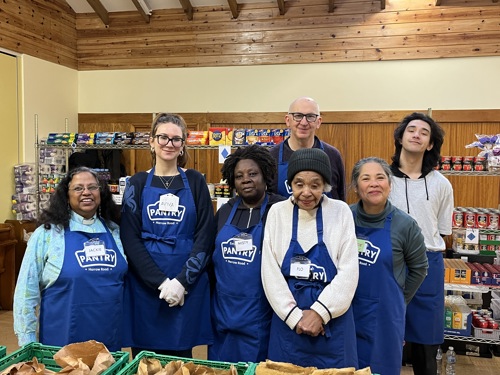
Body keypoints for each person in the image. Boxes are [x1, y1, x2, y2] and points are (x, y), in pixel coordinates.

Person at [120, 112, 216, 358]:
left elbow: (205, 236)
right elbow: (130, 239)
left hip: (186, 286)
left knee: (180, 360)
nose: (169, 144)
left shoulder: (196, 182)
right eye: (163, 137)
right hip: (145, 287)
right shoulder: (137, 184)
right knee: (144, 360)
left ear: (183, 144)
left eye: (176, 139)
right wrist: (161, 283)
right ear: (151, 141)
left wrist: (182, 282)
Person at [261, 148, 359, 369]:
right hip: (288, 321)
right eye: (299, 184)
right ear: (290, 185)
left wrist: (320, 313)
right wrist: (294, 317)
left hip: (333, 322)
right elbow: (270, 272)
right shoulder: (278, 213)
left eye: (315, 185)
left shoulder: (341, 212)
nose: (306, 192)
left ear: (325, 185)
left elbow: (349, 272)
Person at [13, 167, 126, 351]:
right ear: (66, 196)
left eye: (92, 187)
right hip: (61, 342)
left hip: (108, 340)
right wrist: (27, 341)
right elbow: (26, 292)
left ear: (101, 192)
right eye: (78, 188)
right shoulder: (47, 235)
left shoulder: (114, 231)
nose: (86, 192)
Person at [350, 157, 428, 375]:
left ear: (389, 184)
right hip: (346, 315)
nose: (374, 183)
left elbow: (420, 268)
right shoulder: (344, 217)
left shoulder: (405, 224)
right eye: (366, 178)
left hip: (385, 319)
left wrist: (399, 300)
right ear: (356, 187)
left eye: (380, 177)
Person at [389, 112, 454, 375]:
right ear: (401, 138)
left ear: (429, 144)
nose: (416, 134)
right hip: (389, 262)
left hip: (428, 262)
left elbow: (442, 230)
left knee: (426, 341)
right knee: (386, 332)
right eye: (411, 129)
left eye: (424, 132)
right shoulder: (383, 178)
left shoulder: (442, 184)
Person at [208, 145, 286, 363]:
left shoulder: (278, 209)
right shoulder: (225, 210)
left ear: (265, 175)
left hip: (261, 315)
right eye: (239, 176)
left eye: (253, 174)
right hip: (223, 313)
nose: (246, 180)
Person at [269, 96, 346, 201]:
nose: (304, 122)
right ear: (287, 120)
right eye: (298, 116)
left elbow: (340, 199)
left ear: (318, 122)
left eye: (310, 116)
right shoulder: (271, 156)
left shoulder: (332, 155)